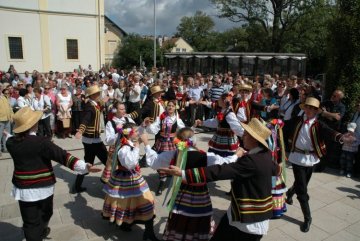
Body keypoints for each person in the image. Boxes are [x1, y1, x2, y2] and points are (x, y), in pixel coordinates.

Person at [160, 118, 278, 241]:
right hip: (248, 214)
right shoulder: (265, 155)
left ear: (254, 139)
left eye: (245, 134)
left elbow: (219, 172)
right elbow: (275, 170)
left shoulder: (252, 161)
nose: (242, 137)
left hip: (247, 220)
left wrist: (184, 174)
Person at [4, 107, 101, 241]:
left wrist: (8, 135)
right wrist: (84, 167)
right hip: (44, 186)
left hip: (23, 188)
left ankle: (36, 233)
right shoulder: (42, 143)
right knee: (46, 213)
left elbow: (11, 139)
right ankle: (40, 230)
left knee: (30, 221)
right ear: (34, 124)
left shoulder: (11, 143)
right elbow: (62, 156)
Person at [142, 127, 244, 241]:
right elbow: (225, 162)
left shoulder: (174, 154)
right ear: (193, 140)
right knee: (198, 217)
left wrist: (146, 143)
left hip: (182, 193)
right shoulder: (205, 156)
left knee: (180, 217)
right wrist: (236, 154)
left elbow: (154, 162)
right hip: (201, 195)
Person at [285, 97, 353, 232]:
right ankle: (307, 218)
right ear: (304, 108)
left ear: (317, 111)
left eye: (313, 108)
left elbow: (330, 131)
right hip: (297, 158)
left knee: (302, 183)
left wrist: (341, 137)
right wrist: (274, 123)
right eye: (308, 107)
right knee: (303, 191)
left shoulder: (318, 124)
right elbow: (284, 124)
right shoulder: (297, 120)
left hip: (311, 159)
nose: (310, 110)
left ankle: (290, 192)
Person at [101, 122, 159, 241]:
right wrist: (138, 145)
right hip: (127, 177)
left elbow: (138, 136)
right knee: (134, 203)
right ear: (129, 134)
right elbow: (129, 163)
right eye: (136, 131)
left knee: (133, 203)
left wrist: (139, 138)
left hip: (132, 177)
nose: (138, 133)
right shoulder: (124, 147)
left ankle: (146, 231)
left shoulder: (128, 143)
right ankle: (134, 226)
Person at [143, 100, 187, 195]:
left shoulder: (177, 119)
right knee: (160, 161)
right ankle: (162, 181)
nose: (170, 107)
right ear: (166, 107)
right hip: (162, 142)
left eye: (172, 106)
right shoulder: (161, 117)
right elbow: (154, 130)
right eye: (169, 106)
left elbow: (183, 130)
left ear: (175, 108)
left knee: (172, 161)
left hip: (172, 143)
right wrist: (149, 125)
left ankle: (170, 175)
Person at [75, 85, 108, 193]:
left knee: (88, 163)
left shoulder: (95, 104)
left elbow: (98, 112)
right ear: (93, 95)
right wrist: (80, 130)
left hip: (93, 139)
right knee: (108, 162)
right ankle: (108, 182)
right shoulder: (90, 107)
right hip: (92, 140)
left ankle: (77, 186)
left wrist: (104, 103)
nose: (99, 95)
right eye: (98, 94)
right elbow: (86, 119)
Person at [101, 102, 135, 184]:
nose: (124, 111)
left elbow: (136, 131)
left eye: (124, 109)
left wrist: (143, 125)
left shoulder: (128, 120)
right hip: (116, 150)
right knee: (115, 172)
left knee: (128, 170)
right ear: (115, 110)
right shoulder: (110, 123)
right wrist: (118, 133)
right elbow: (108, 141)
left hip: (128, 150)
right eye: (121, 109)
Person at [0, 89, 13, 156]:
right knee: (0, 135)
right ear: (3, 93)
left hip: (7, 119)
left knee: (6, 135)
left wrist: (12, 116)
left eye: (8, 93)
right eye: (5, 93)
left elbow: (10, 109)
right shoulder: (1, 98)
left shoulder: (7, 99)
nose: (7, 94)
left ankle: (5, 148)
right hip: (1, 119)